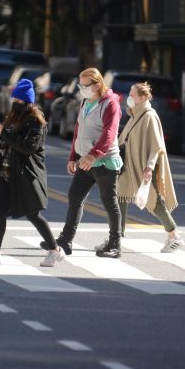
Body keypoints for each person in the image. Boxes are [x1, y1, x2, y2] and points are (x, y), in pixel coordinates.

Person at [0, 79, 64, 267]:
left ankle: (54, 250)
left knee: (32, 213)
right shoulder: (13, 116)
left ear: (25, 101)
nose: (13, 101)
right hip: (6, 172)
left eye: (17, 99)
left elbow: (28, 147)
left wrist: (5, 133)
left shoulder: (36, 121)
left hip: (25, 175)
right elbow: (2, 147)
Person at [46, 67, 123, 259]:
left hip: (104, 162)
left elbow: (109, 133)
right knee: (75, 197)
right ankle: (65, 240)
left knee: (109, 202)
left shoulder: (111, 104)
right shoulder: (85, 102)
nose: (82, 88)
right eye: (80, 85)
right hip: (85, 161)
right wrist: (73, 156)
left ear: (97, 85)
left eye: (85, 85)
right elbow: (78, 132)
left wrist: (93, 154)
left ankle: (115, 244)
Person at [109, 82, 184, 253]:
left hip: (143, 167)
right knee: (120, 195)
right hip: (129, 164)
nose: (129, 97)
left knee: (154, 202)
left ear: (142, 97)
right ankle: (116, 238)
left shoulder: (149, 116)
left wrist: (149, 168)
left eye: (132, 94)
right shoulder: (135, 114)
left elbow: (156, 146)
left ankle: (174, 235)